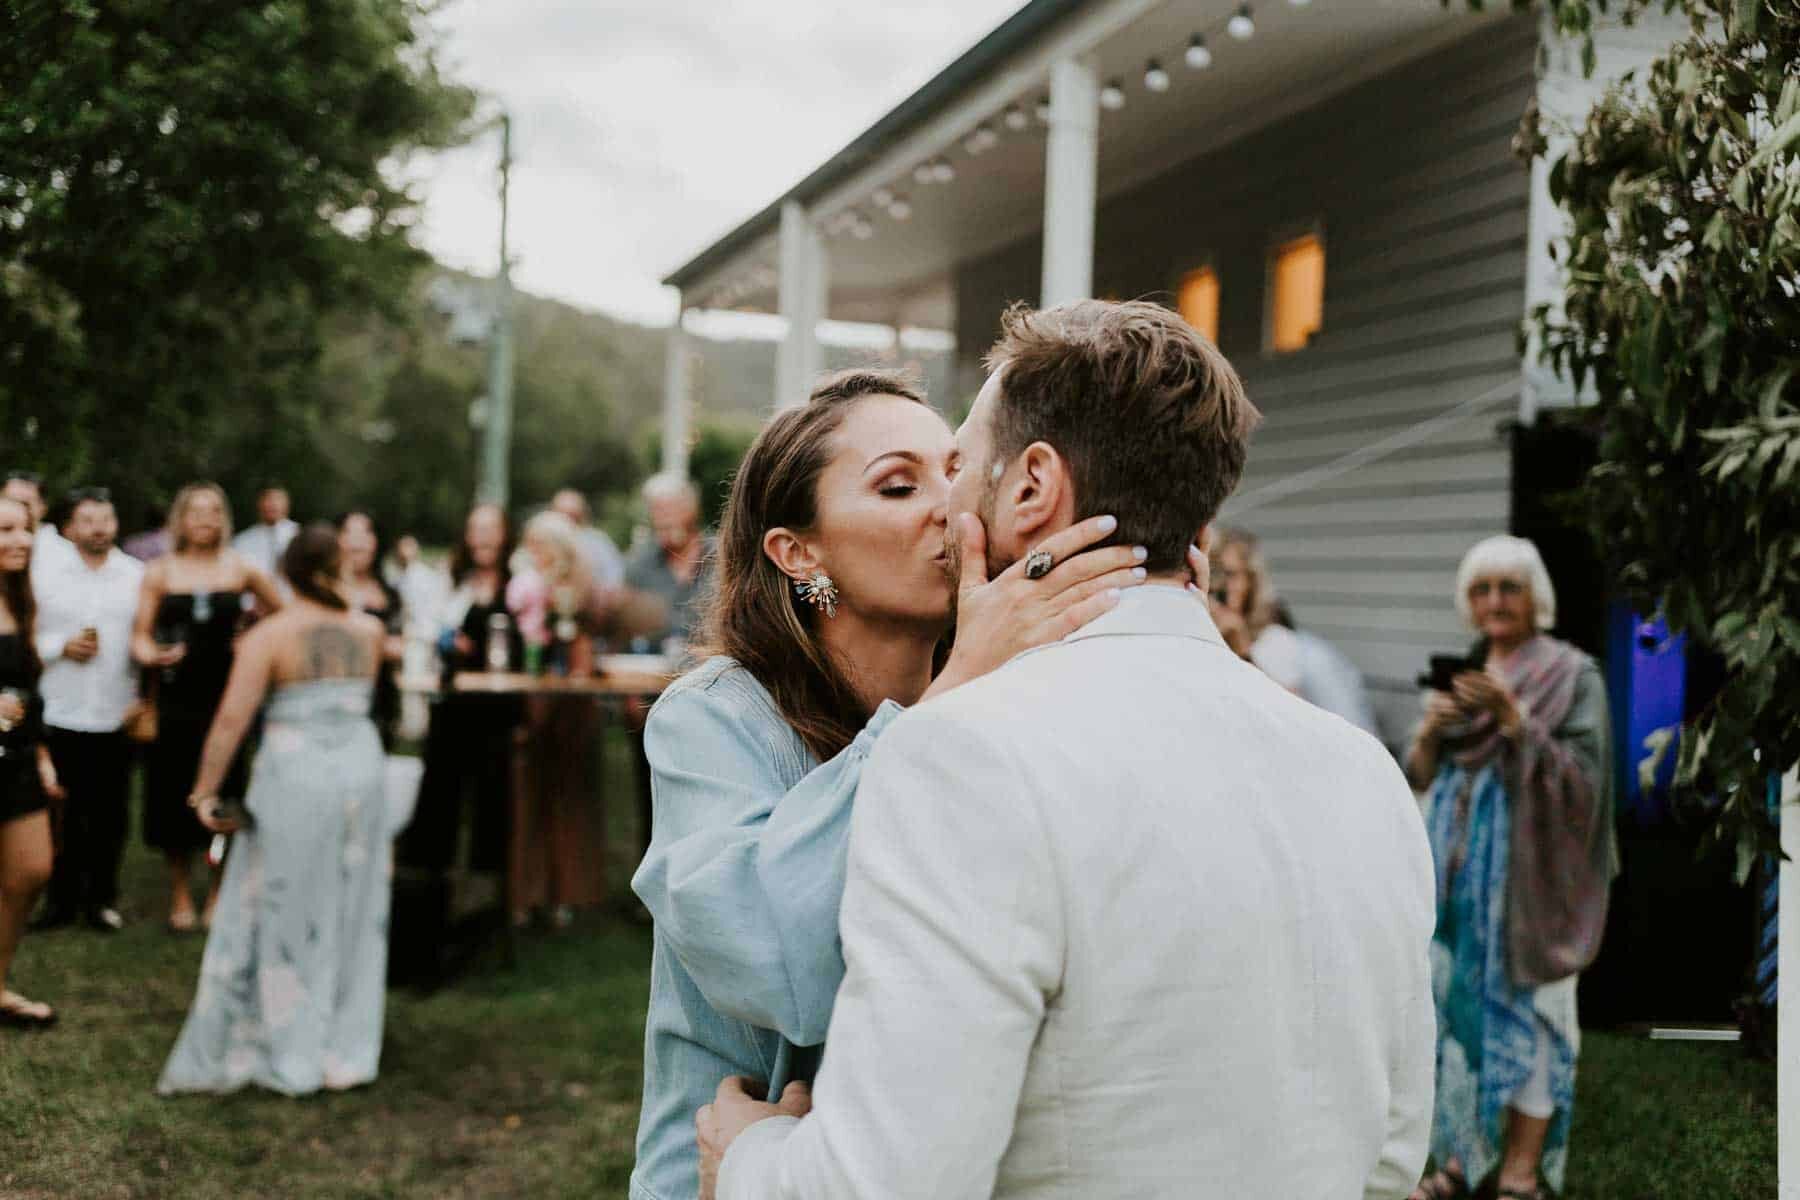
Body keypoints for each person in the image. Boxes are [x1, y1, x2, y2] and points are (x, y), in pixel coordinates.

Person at [690, 301, 1436, 1200]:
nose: (943, 502)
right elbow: (1393, 1157)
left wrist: (751, 1160)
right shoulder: (1364, 771)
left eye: (960, 464)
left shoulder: (961, 754)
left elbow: (882, 1182)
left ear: (1032, 487)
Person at [627, 366, 1156, 1200]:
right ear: (798, 552)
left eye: (955, 472)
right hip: (729, 1168)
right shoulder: (713, 720)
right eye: (900, 485)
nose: (949, 507)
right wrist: (954, 692)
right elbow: (771, 960)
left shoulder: (1007, 702)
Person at [1402, 535, 1615, 1200]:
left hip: (1534, 884)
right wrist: (1432, 734)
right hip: (1460, 883)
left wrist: (1517, 722)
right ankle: (1462, 1160)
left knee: (1533, 1011)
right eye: (1481, 589)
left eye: (1509, 588)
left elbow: (1587, 784)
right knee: (1457, 1015)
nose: (1494, 601)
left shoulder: (1573, 675)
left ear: (1536, 598)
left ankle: (1520, 1173)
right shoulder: (1467, 666)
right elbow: (1421, 777)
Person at [158, 525, 390, 1096]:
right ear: (330, 569)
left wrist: (204, 791)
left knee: (281, 905)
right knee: (352, 905)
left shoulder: (269, 636)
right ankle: (342, 1042)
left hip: (297, 776)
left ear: (291, 573)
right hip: (362, 773)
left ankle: (285, 1035)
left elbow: (233, 720)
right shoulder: (371, 631)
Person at [131, 484, 283, 933]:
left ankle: (218, 889)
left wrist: (252, 640)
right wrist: (150, 654)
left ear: (224, 519)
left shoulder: (241, 569)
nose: (205, 520)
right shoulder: (160, 571)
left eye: (214, 511)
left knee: (226, 790)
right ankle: (180, 888)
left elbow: (283, 614)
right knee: (173, 790)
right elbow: (139, 633)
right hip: (177, 696)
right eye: (196, 512)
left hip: (229, 695)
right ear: (180, 519)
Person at [392, 504, 521, 981]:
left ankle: (483, 921)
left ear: (505, 536)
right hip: (454, 712)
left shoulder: (518, 583)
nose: (483, 538)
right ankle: (426, 920)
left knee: (491, 814)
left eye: (491, 530)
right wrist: (448, 642)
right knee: (437, 812)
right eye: (475, 530)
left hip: (498, 716)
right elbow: (429, 632)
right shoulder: (453, 582)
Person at [31, 487, 144, 932]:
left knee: (109, 814)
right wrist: (60, 647)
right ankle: (59, 901)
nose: (99, 528)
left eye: (106, 518)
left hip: (116, 711)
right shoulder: (46, 577)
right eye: (89, 519)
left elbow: (146, 637)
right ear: (69, 527)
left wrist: (145, 694)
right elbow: (23, 637)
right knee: (60, 815)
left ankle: (101, 899)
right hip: (60, 709)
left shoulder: (137, 575)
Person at [505, 511, 607, 928]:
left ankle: (569, 893)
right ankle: (525, 892)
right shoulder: (521, 587)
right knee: (528, 791)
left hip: (571, 698)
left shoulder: (580, 589)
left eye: (543, 545)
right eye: (532, 544)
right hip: (531, 694)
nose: (536, 553)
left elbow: (589, 643)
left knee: (570, 792)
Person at [622, 472, 714, 862]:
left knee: (708, 791)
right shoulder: (640, 566)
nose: (663, 519)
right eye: (656, 511)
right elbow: (625, 636)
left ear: (691, 509)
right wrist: (629, 695)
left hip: (712, 694)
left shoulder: (723, 554)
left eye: (670, 509)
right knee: (652, 792)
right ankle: (654, 879)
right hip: (652, 694)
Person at [0, 494, 62, 1028]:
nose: (20, 540)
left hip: (16, 757)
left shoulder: (19, 599)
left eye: (25, 530)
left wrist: (41, 754)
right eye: (6, 530)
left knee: (31, 870)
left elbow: (27, 688)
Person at [336, 511, 405, 748]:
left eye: (365, 533)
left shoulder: (390, 594)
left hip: (381, 697)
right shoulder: (326, 592)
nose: (357, 541)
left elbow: (400, 645)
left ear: (376, 542)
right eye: (349, 532)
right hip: (337, 696)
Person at [551, 487, 626, 590]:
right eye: (564, 516)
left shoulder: (598, 540)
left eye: (574, 516)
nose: (569, 522)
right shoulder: (543, 542)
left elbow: (616, 576)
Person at [5, 470, 74, 578]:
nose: (15, 509)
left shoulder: (67, 556)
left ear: (43, 508)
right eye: (9, 501)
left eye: (24, 504)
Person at [229, 486, 299, 581]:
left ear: (287, 503)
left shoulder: (299, 535)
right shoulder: (242, 541)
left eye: (278, 499)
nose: (273, 504)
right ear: (258, 503)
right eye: (268, 499)